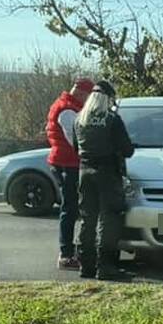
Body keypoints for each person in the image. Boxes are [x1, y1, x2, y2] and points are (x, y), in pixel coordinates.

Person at [74, 80, 135, 281]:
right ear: (108, 99)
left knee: (87, 219)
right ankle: (106, 266)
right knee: (109, 220)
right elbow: (127, 150)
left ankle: (86, 265)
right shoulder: (112, 119)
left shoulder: (79, 119)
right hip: (108, 173)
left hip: (85, 172)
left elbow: (75, 148)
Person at [46, 77, 95, 270]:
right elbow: (74, 139)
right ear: (83, 94)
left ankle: (68, 250)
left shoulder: (65, 105)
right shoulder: (67, 109)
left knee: (71, 207)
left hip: (66, 162)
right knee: (70, 208)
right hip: (67, 164)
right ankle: (66, 254)